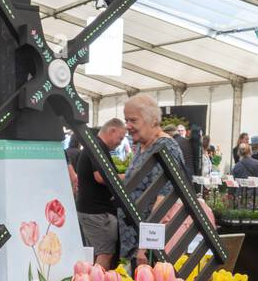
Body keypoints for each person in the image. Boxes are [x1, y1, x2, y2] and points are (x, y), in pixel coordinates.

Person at [119, 93, 187, 267]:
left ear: (153, 120)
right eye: (126, 120)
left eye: (133, 120)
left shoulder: (165, 147)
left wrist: (145, 246)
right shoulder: (142, 146)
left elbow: (164, 201)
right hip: (133, 243)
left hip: (149, 249)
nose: (128, 126)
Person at [75, 119, 126, 269]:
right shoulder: (98, 147)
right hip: (97, 213)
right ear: (112, 130)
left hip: (91, 210)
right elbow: (102, 177)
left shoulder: (94, 146)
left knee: (97, 254)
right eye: (120, 138)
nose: (120, 142)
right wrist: (130, 175)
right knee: (105, 254)